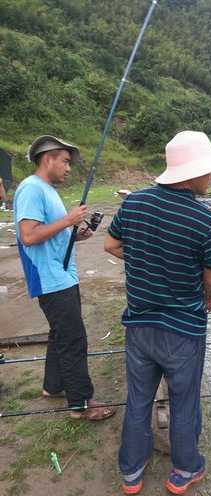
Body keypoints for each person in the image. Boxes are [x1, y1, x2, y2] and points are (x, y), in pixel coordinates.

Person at [104, 131, 211, 495]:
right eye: (208, 170)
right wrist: (207, 300)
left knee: (139, 399)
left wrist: (147, 262)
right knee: (184, 402)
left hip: (139, 328)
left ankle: (131, 473)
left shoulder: (134, 204)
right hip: (183, 332)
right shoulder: (205, 220)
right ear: (190, 173)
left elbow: (111, 244)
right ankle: (185, 470)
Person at [13, 135, 115, 421]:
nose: (69, 168)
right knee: (73, 339)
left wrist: (75, 234)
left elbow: (50, 233)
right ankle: (80, 404)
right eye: (66, 161)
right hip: (50, 278)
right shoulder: (31, 189)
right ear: (48, 159)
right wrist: (69, 220)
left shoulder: (45, 189)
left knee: (61, 334)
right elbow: (29, 236)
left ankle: (53, 386)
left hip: (61, 274)